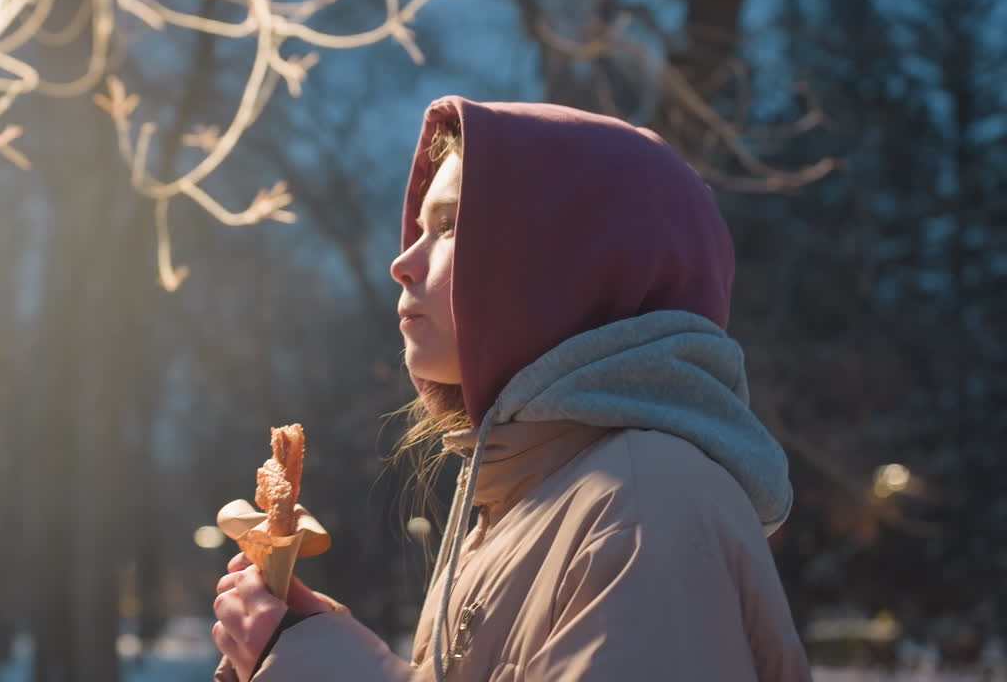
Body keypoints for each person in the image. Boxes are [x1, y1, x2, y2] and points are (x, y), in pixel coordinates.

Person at [211, 96, 812, 681]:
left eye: (448, 227)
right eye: (420, 228)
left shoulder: (643, 499)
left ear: (569, 263)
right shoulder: (534, 497)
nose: (403, 261)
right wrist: (304, 645)